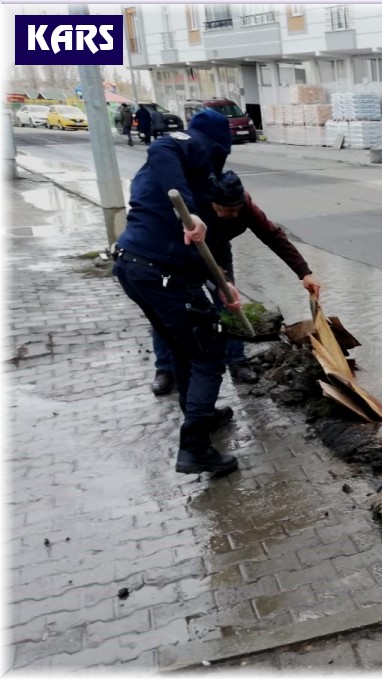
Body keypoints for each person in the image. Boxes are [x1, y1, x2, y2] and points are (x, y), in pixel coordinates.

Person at [112, 108, 241, 477]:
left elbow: (204, 245)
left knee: (186, 345)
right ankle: (195, 448)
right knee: (209, 351)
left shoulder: (194, 178)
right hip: (157, 273)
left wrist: (223, 283)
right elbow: (164, 147)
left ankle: (199, 413)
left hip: (137, 268)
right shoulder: (189, 147)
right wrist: (188, 208)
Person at [149, 170, 322, 395]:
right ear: (212, 202)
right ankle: (164, 369)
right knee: (168, 309)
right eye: (225, 209)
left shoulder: (245, 208)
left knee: (229, 304)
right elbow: (177, 244)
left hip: (219, 251)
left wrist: (304, 272)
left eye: (236, 209)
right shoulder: (194, 207)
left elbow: (273, 236)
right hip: (181, 253)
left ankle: (237, 361)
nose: (232, 214)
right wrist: (216, 279)